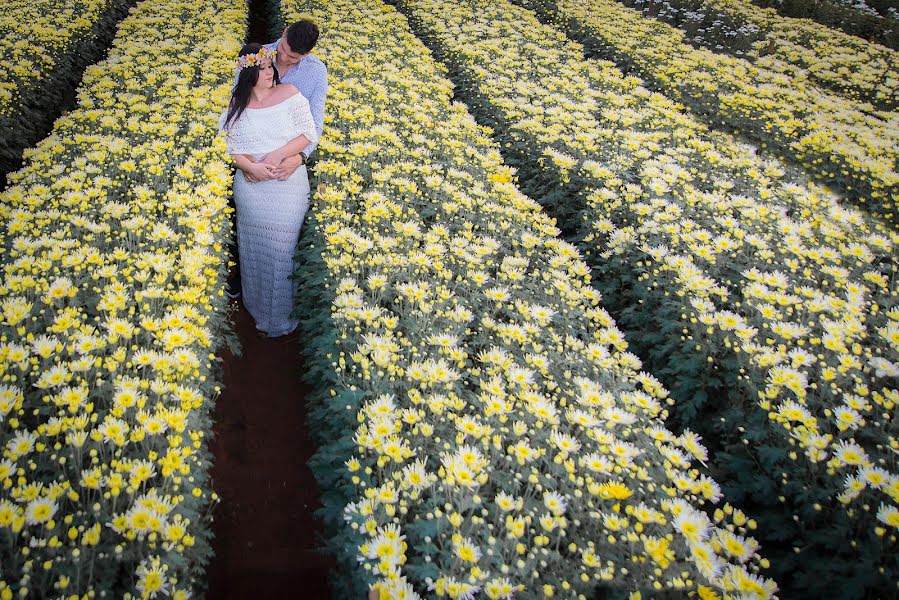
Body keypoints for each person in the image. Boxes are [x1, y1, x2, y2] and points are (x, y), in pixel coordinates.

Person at [219, 43, 318, 337]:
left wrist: (278, 155)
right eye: (261, 69)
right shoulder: (236, 103)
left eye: (269, 67)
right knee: (254, 248)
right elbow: (227, 146)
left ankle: (282, 314)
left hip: (288, 182)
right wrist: (250, 167)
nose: (269, 73)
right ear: (248, 73)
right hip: (252, 187)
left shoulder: (289, 94)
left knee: (282, 249)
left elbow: (307, 134)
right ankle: (257, 306)